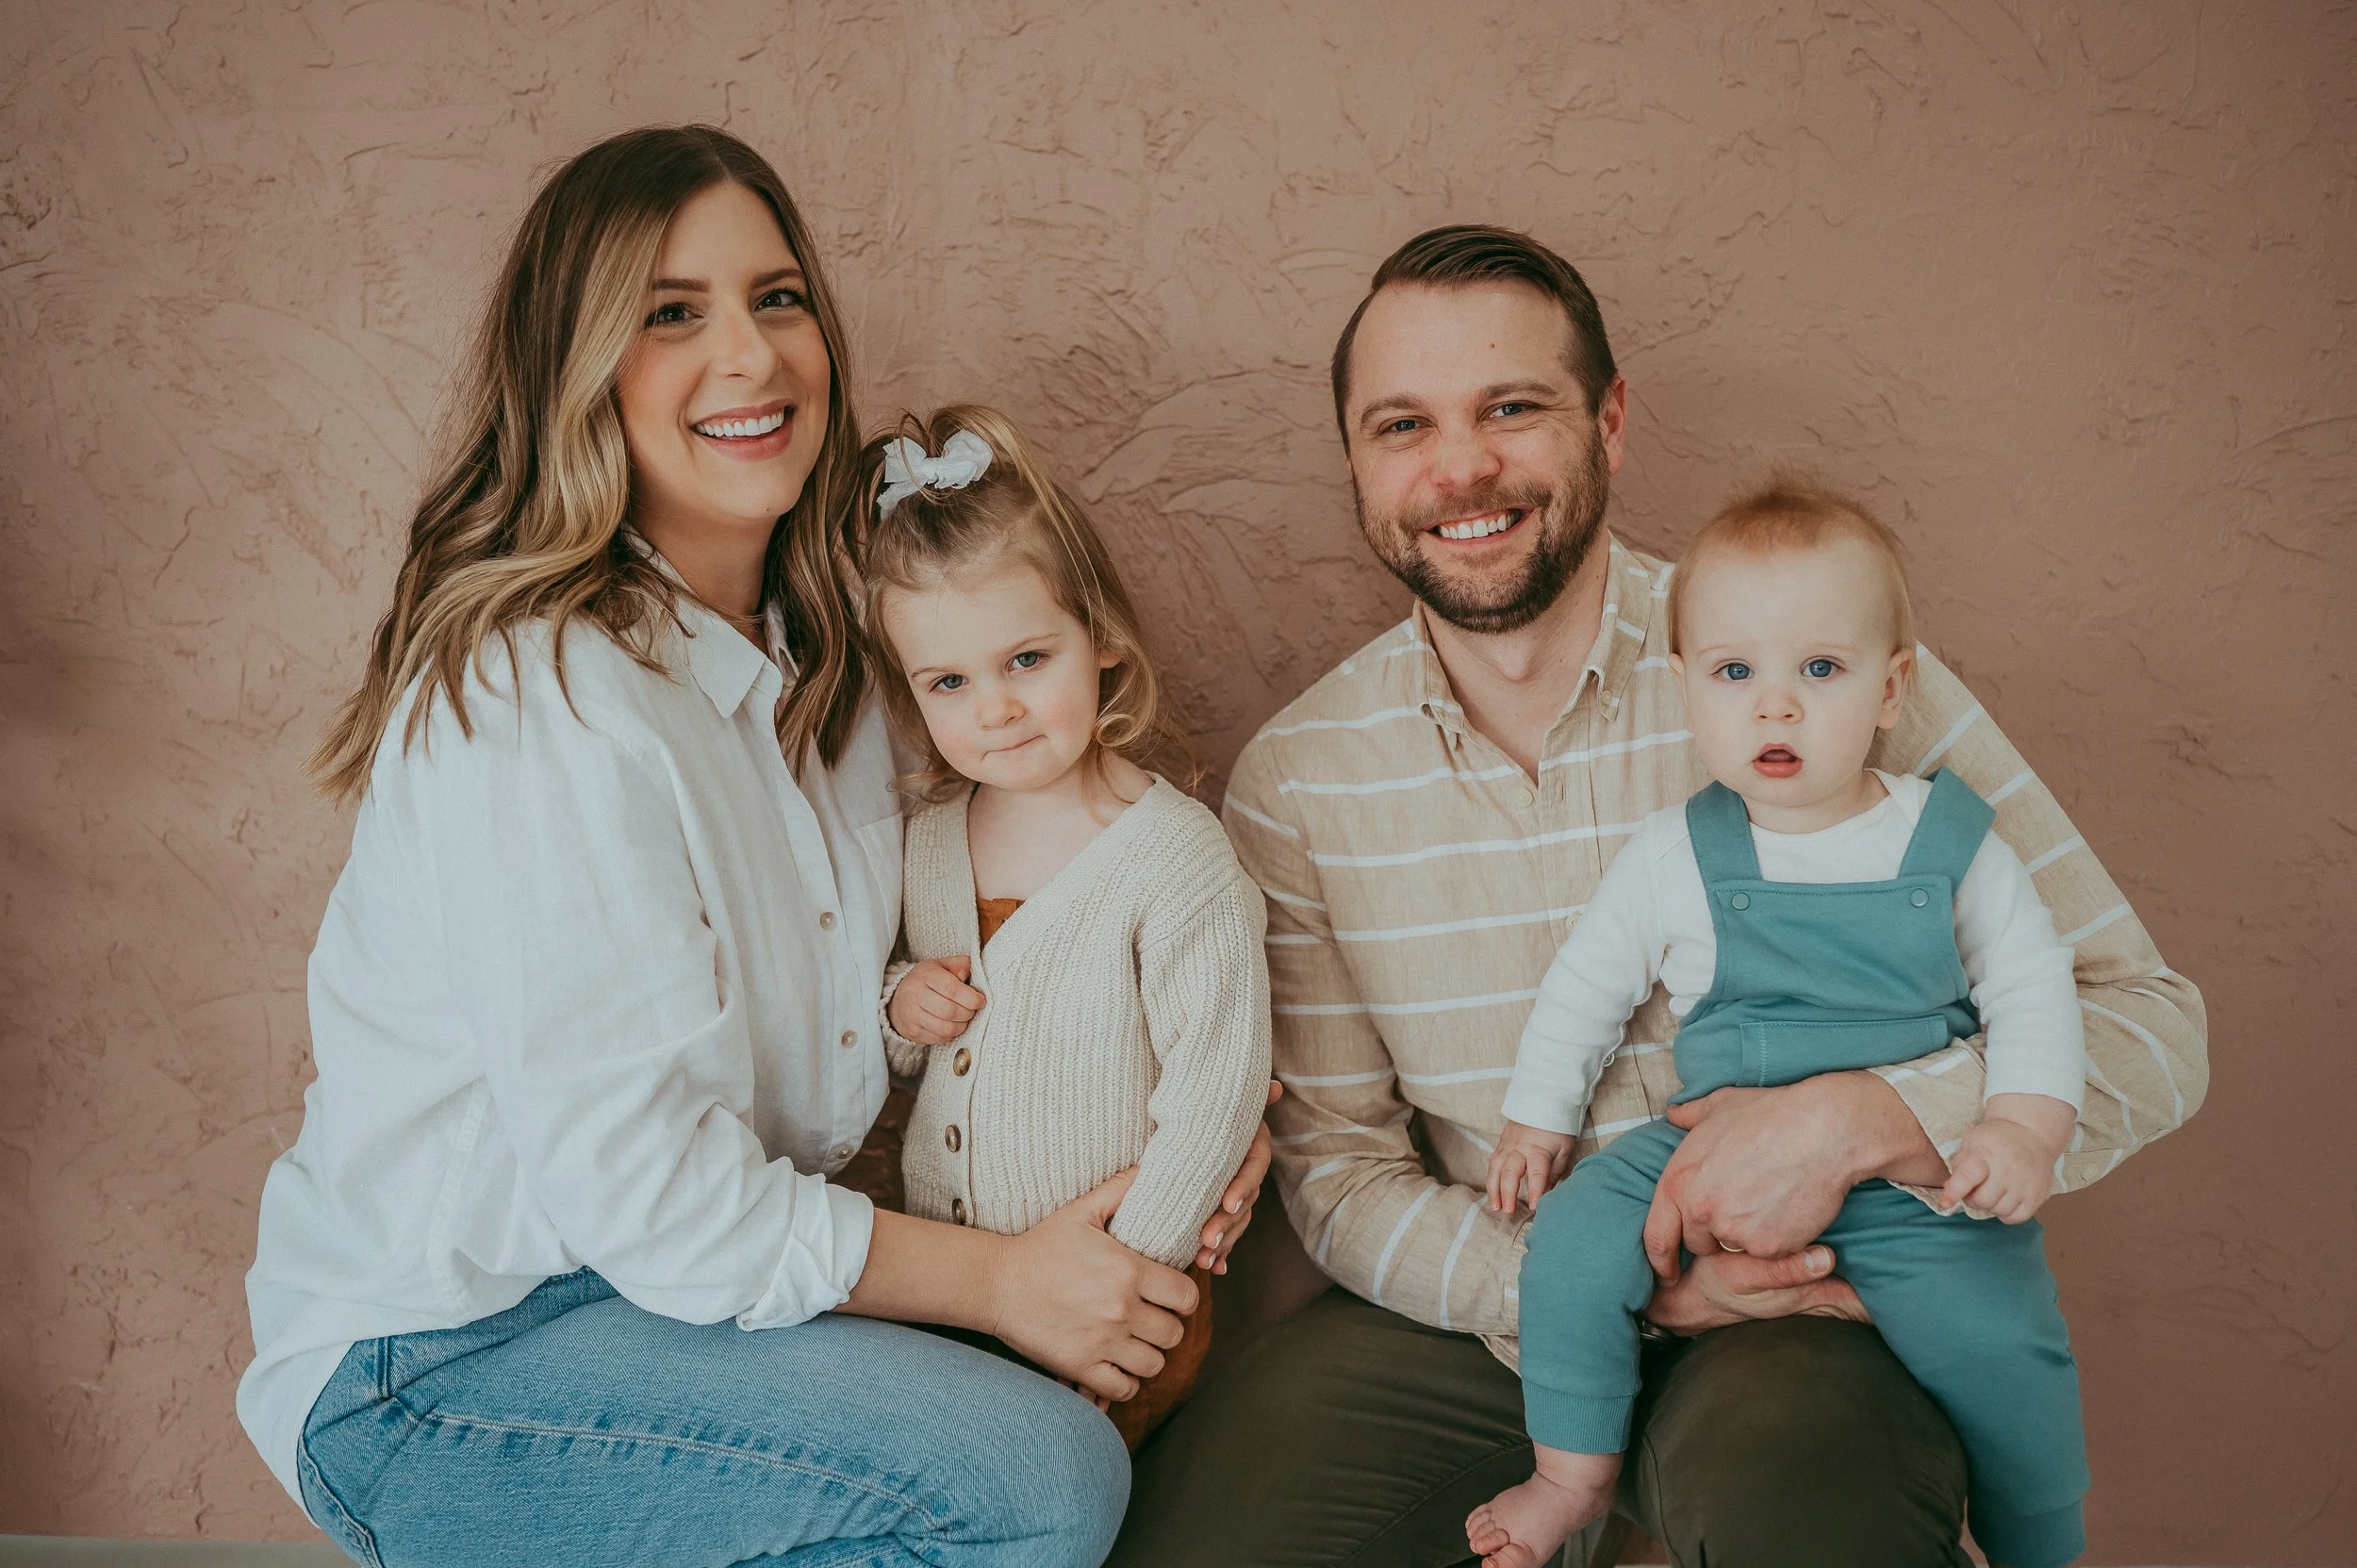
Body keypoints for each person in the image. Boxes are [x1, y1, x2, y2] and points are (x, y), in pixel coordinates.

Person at [236, 125, 1268, 1568]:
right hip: (443, 1357)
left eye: (778, 299)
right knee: (1033, 1476)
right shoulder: (543, 700)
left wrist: (1191, 1120)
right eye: (673, 313)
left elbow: (981, 958)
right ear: (581, 369)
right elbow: (652, 1198)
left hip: (672, 1306)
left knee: (1072, 1428)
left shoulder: (839, 679)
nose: (751, 354)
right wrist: (1002, 1282)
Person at [1111, 225, 2205, 1568]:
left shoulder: (1806, 663)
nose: (1460, 467)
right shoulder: (1301, 780)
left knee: (1812, 1508)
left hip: (1807, 1303)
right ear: (1355, 463)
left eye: (1511, 407)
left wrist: (1868, 1119)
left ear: (1611, 423)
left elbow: (2148, 1020)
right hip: (1497, 1305)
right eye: (1403, 424)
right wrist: (1606, 1283)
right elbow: (1340, 1174)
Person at [1469, 483, 2089, 1568]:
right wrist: (1536, 1119)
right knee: (1570, 1242)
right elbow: (1583, 990)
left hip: (1913, 1187)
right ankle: (1570, 1473)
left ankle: (2042, 1543)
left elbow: (2035, 993)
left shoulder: (1951, 841)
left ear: (1890, 687)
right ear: (1684, 688)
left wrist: (2022, 1129)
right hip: (1702, 1152)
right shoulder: (1675, 852)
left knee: (2007, 1345)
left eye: (1819, 669)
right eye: (1734, 673)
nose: (1776, 709)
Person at [862, 404, 1275, 1449]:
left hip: (1122, 1303)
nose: (994, 709)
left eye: (1026, 660)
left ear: (1100, 640)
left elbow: (1214, 1098)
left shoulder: (1175, 857)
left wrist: (1128, 1278)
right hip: (956, 1298)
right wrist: (902, 1003)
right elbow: (909, 1062)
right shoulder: (930, 842)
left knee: (1072, 1485)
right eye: (949, 682)